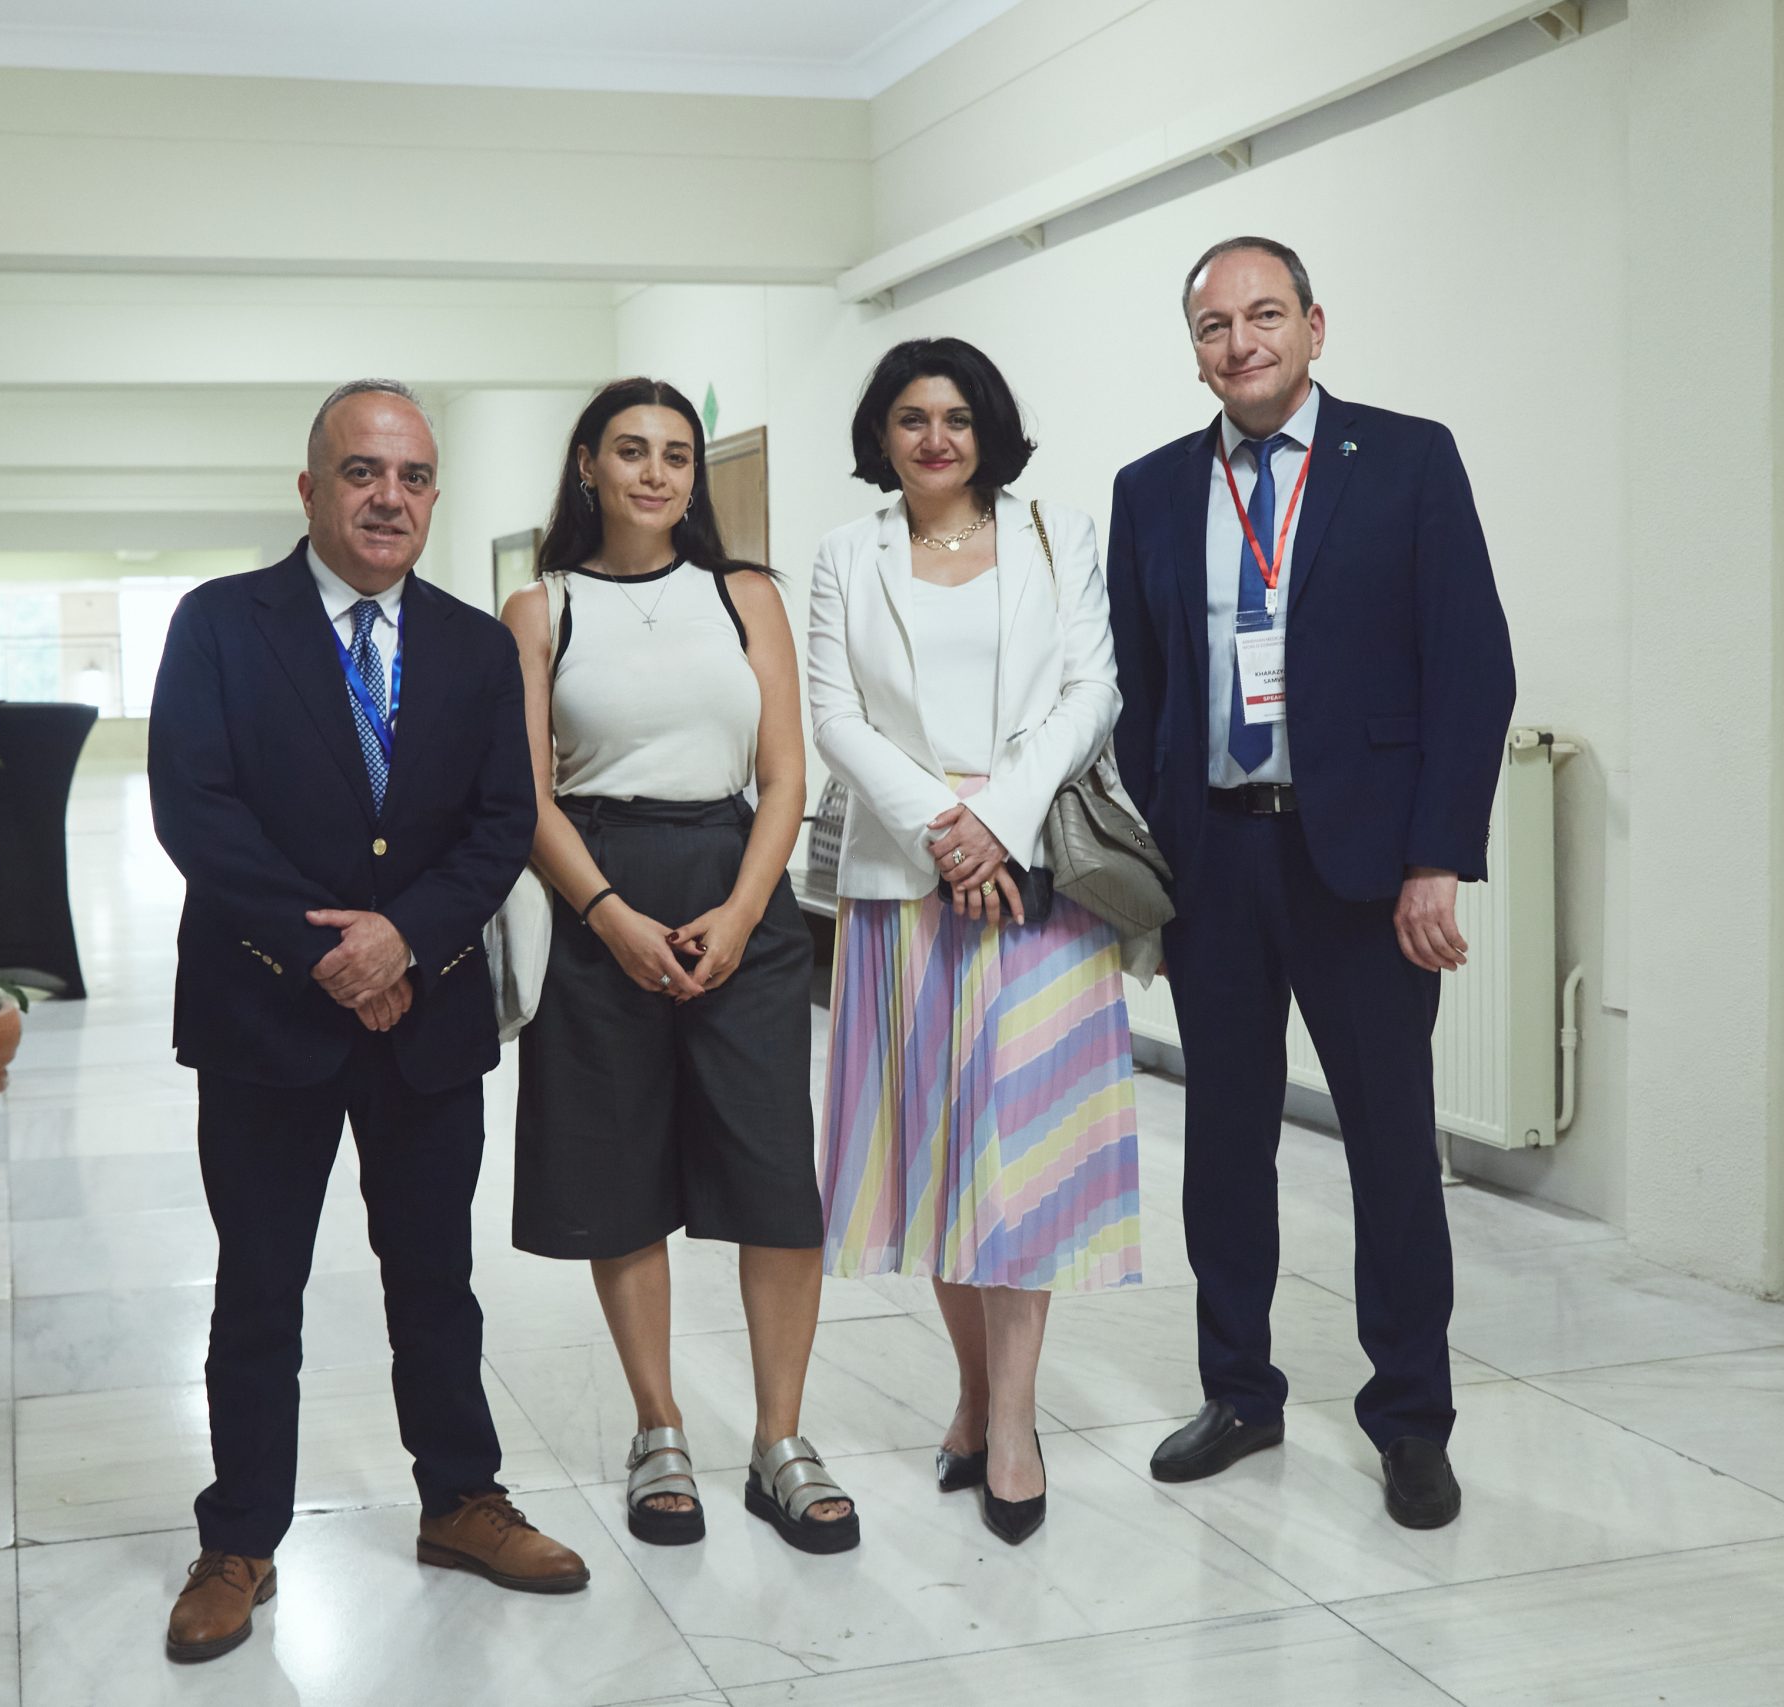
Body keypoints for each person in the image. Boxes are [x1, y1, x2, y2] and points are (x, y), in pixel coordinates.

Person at [148, 379, 588, 1664]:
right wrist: (326, 952)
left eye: (412, 476)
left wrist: (409, 938)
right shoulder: (221, 625)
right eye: (361, 472)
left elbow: (502, 821)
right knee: (258, 1288)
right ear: (310, 488)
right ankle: (239, 1539)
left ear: (433, 496)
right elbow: (194, 808)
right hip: (262, 1017)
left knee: (435, 1280)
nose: (388, 497)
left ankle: (460, 1500)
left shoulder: (474, 646)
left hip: (427, 1017)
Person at [1104, 238, 1515, 1529]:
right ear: (1195, 350)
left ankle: (1411, 1418)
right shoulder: (1150, 489)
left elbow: (1471, 668)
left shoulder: (1406, 459)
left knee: (1390, 1147)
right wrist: (1155, 865)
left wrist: (1436, 856)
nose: (1242, 342)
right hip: (1216, 863)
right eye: (1214, 325)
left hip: (1365, 868)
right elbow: (1140, 695)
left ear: (1314, 327)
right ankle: (1240, 1392)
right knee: (1224, 1145)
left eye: (1265, 314)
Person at [502, 378, 859, 1555]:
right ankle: (657, 1427)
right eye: (630, 450)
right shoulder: (540, 608)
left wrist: (744, 911)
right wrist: (609, 916)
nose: (655, 473)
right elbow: (527, 797)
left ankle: (780, 1441)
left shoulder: (743, 594)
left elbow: (787, 774)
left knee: (775, 1177)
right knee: (619, 1178)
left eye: (675, 454)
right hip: (596, 897)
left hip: (735, 887)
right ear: (588, 466)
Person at [808, 337, 1144, 1546]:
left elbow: (1092, 693)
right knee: (940, 1157)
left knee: (1025, 1160)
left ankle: (1013, 1422)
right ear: (882, 436)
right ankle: (971, 1391)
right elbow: (833, 714)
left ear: (988, 428)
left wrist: (995, 823)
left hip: (1036, 877)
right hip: (904, 889)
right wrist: (941, 831)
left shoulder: (1056, 536)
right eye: (911, 418)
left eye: (956, 417)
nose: (936, 438)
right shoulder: (845, 555)